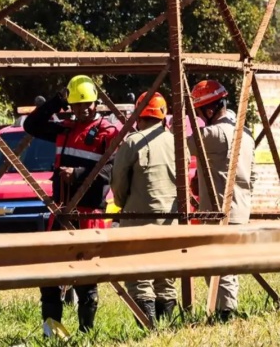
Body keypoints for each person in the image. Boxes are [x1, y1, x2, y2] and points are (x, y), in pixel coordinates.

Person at [23, 75, 119, 335]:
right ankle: (51, 332)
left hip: (89, 213)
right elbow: (31, 125)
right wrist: (57, 101)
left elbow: (109, 171)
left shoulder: (108, 132)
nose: (84, 108)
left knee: (86, 279)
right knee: (50, 277)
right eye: (77, 104)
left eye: (88, 103)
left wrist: (76, 174)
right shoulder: (65, 128)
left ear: (97, 103)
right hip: (61, 212)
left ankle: (86, 333)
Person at [187, 79, 255, 321]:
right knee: (228, 265)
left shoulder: (214, 133)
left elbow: (181, 146)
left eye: (198, 112)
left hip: (219, 211)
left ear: (208, 109)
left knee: (220, 265)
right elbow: (251, 174)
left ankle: (226, 314)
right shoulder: (245, 133)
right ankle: (226, 311)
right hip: (240, 209)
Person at [111, 91, 178, 328]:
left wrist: (122, 202)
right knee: (165, 277)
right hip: (171, 221)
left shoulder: (132, 141)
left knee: (139, 276)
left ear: (138, 114)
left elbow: (118, 181)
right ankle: (166, 328)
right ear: (163, 115)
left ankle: (148, 330)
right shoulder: (175, 141)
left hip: (137, 221)